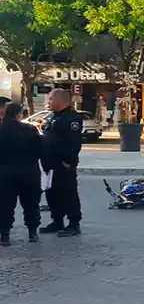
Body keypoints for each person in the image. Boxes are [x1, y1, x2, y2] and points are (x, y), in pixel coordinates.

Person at [39, 89, 83, 237]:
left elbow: (74, 143)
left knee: (68, 193)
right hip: (49, 163)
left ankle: (73, 223)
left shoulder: (71, 118)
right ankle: (57, 220)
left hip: (63, 164)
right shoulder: (52, 116)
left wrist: (68, 161)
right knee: (52, 193)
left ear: (60, 101)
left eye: (51, 99)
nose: (48, 101)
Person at [0, 103, 43, 246]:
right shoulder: (30, 129)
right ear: (19, 114)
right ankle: (32, 232)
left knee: (5, 205)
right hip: (29, 171)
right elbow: (40, 150)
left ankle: (4, 234)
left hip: (5, 173)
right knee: (31, 204)